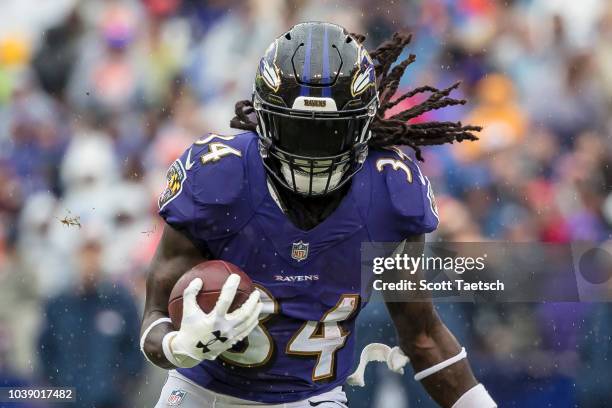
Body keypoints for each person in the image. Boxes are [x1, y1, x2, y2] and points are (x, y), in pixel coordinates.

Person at [140, 22, 496, 407]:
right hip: (200, 392)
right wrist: (178, 346)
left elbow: (423, 336)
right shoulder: (219, 178)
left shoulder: (391, 192)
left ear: (363, 123)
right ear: (263, 119)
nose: (312, 153)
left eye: (329, 132)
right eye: (297, 130)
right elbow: (154, 317)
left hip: (312, 399)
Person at [39, 231, 143, 408]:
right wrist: (58, 386)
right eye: (84, 252)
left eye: (94, 251)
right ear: (75, 255)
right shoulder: (57, 303)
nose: (89, 259)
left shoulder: (121, 301)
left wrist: (120, 386)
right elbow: (45, 349)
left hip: (110, 402)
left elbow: (135, 349)